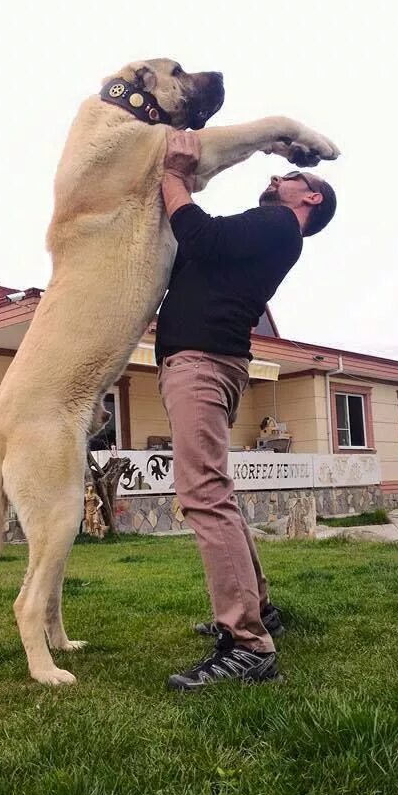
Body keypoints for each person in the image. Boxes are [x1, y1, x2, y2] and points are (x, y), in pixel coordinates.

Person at [156, 131, 337, 691]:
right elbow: (200, 247)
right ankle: (257, 609)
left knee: (203, 496)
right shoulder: (272, 231)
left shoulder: (281, 225)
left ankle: (249, 644)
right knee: (216, 494)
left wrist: (172, 176)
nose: (278, 177)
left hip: (204, 363)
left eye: (291, 176)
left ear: (310, 199)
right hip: (211, 362)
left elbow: (200, 235)